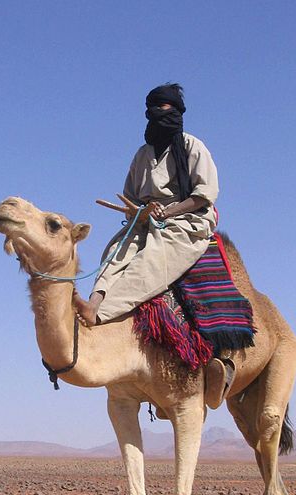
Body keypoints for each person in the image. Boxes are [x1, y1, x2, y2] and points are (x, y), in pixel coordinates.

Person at [73, 83, 219, 326]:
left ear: (176, 110)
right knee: (115, 252)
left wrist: (168, 212)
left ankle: (102, 314)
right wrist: (139, 212)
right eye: (154, 109)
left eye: (163, 107)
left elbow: (204, 195)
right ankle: (93, 303)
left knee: (152, 259)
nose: (158, 113)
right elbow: (131, 196)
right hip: (145, 220)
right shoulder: (143, 154)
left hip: (187, 220)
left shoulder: (192, 146)